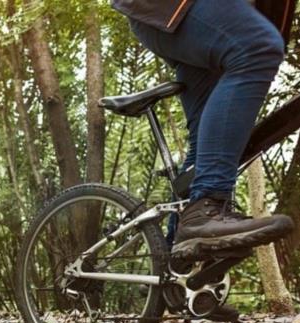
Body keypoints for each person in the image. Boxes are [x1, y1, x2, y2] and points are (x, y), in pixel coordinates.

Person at [111, 0, 294, 261]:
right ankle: (204, 209)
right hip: (175, 8)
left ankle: (178, 275)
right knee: (258, 48)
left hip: (198, 14)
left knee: (206, 148)